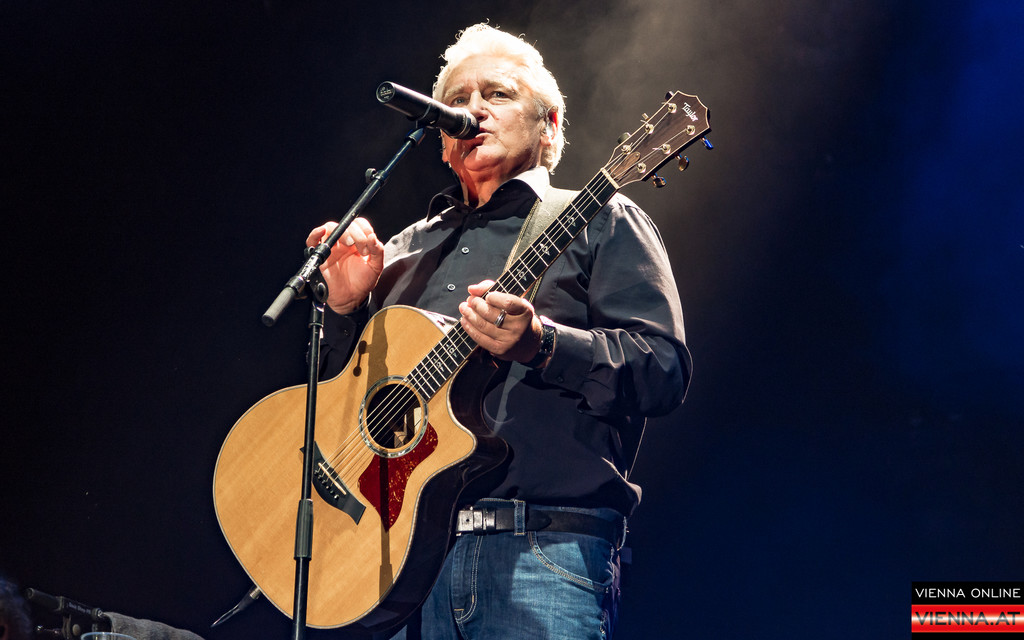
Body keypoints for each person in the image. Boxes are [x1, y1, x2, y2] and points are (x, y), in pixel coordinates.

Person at [309, 23, 690, 639]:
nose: (473, 110)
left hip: (541, 554)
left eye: (498, 95)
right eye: (457, 101)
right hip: (394, 569)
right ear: (440, 140)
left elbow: (662, 371)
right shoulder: (399, 253)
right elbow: (341, 413)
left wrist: (544, 344)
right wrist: (346, 310)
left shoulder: (600, 219)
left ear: (550, 126)